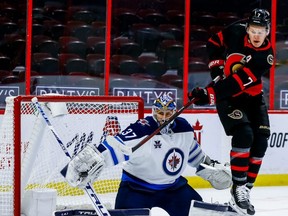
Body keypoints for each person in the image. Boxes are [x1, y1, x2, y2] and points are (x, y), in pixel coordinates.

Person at [64, 94, 232, 216]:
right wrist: (93, 160)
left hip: (173, 188)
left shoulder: (184, 128)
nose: (164, 118)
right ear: (154, 112)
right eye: (160, 113)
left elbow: (195, 156)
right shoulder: (141, 129)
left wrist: (209, 168)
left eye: (168, 113)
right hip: (137, 189)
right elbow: (116, 146)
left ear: (175, 112)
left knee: (199, 213)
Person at [188, 8, 274, 216]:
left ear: (268, 31)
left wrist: (209, 94)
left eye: (261, 31)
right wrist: (217, 69)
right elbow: (213, 43)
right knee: (244, 134)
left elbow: (236, 83)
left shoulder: (265, 57)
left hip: (251, 97)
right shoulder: (235, 31)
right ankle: (239, 189)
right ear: (247, 27)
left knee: (261, 140)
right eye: (253, 30)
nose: (256, 35)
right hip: (229, 100)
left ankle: (243, 190)